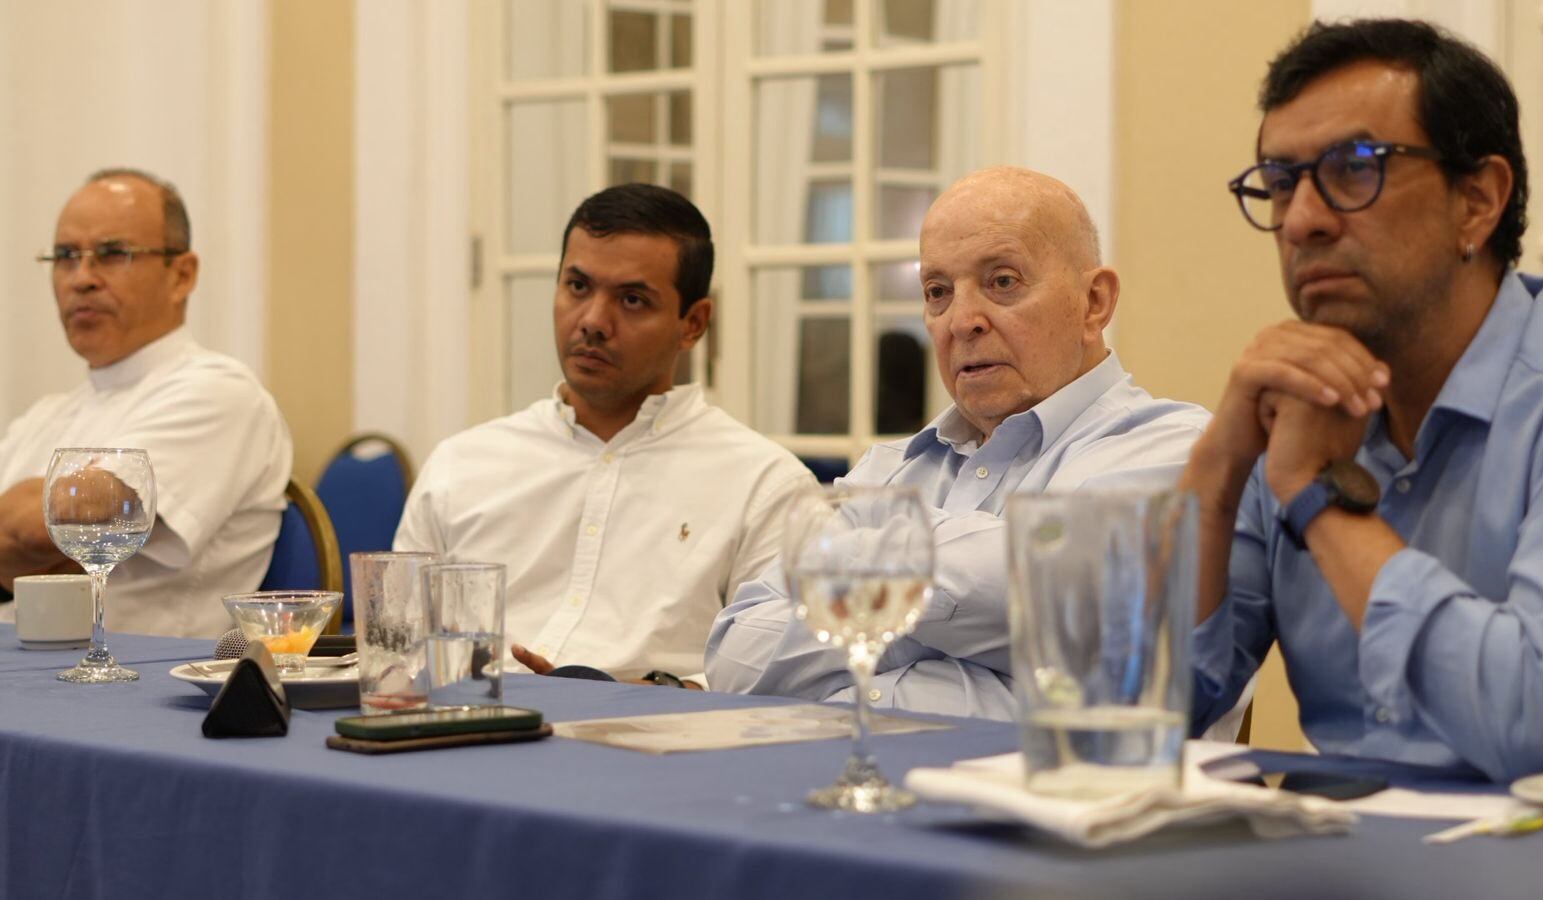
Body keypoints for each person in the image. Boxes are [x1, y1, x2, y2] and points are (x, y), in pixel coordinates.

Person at [1184, 18, 1543, 783]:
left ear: (1477, 200)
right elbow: (1126, 706)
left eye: (1354, 168)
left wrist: (1318, 498)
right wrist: (1215, 475)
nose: (1302, 220)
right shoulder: (1297, 403)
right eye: (1280, 182)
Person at [705, 166, 1211, 718]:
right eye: (938, 292)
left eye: (1003, 282)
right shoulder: (887, 470)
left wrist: (863, 621)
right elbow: (737, 657)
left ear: (1094, 303)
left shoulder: (1179, 451)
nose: (962, 321)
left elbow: (1096, 676)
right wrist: (980, 627)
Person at [393, 183, 814, 685]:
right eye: (577, 286)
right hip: (467, 736)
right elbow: (397, 648)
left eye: (632, 299)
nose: (592, 321)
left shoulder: (764, 486)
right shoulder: (462, 465)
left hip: (657, 746)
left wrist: (659, 693)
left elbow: (780, 675)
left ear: (693, 324)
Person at [0, 169, 292, 638]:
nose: (82, 279)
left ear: (182, 274)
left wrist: (36, 521)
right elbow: (47, 532)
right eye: (66, 256)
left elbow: (47, 525)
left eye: (113, 254)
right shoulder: (45, 414)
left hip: (139, 689)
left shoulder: (217, 391)